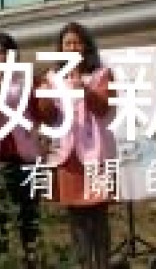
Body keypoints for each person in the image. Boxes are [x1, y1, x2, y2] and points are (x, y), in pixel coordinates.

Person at [38, 23, 116, 269]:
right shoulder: (52, 78)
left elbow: (103, 108)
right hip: (67, 155)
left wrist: (84, 89)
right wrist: (42, 100)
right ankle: (84, 264)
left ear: (86, 46)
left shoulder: (102, 74)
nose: (72, 47)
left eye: (77, 42)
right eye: (67, 43)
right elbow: (49, 117)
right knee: (76, 217)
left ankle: (102, 264)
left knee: (98, 215)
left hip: (95, 155)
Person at [0, 32, 43, 269]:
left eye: (5, 52)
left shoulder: (26, 79)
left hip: (26, 154)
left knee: (29, 216)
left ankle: (33, 261)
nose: (1, 57)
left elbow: (39, 112)